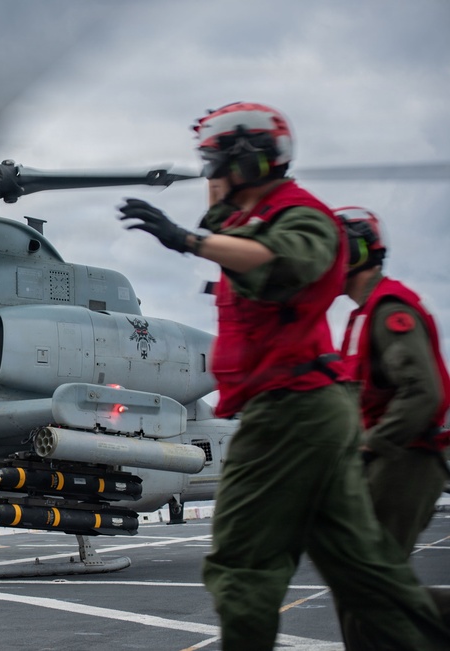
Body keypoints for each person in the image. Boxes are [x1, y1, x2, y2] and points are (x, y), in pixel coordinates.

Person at [116, 101, 449, 650]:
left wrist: (188, 239)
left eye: (215, 162)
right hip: (307, 412)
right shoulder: (256, 226)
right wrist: (213, 224)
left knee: (242, 564)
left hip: (289, 411)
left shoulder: (303, 218)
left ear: (248, 160)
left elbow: (290, 261)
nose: (209, 175)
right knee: (364, 573)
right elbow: (251, 260)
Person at [337, 206, 450, 635]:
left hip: (407, 459)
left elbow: (423, 392)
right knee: (366, 583)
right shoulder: (361, 315)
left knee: (371, 585)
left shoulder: (389, 310)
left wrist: (370, 447)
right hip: (389, 458)